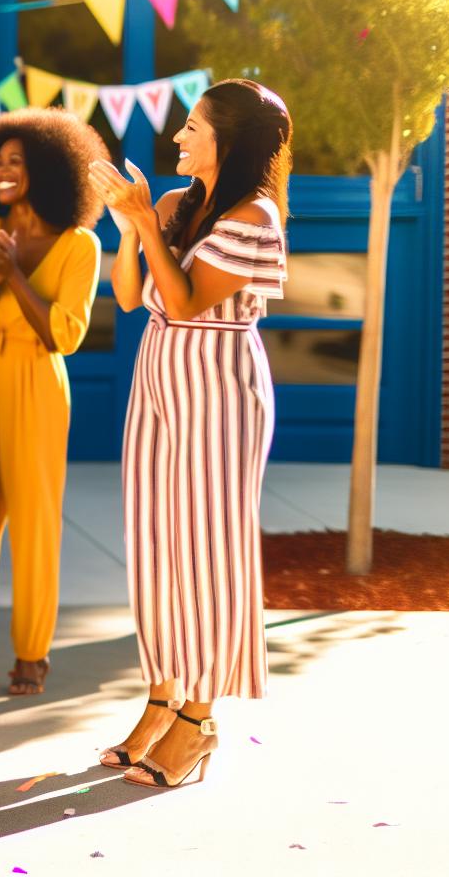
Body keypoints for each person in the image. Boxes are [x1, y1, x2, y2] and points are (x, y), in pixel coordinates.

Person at [87, 79, 292, 789]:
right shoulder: (177, 206)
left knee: (206, 555)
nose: (177, 137)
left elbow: (183, 299)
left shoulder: (253, 214)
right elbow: (127, 294)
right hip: (159, 376)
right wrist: (127, 227)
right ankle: (160, 699)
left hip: (219, 386)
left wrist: (146, 223)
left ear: (226, 143)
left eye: (192, 128)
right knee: (155, 547)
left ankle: (198, 722)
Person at [0, 107, 103, 698]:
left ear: (51, 168)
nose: (4, 170)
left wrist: (12, 275)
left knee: (36, 521)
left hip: (39, 379)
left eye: (17, 160)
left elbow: (65, 333)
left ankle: (32, 655)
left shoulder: (81, 245)